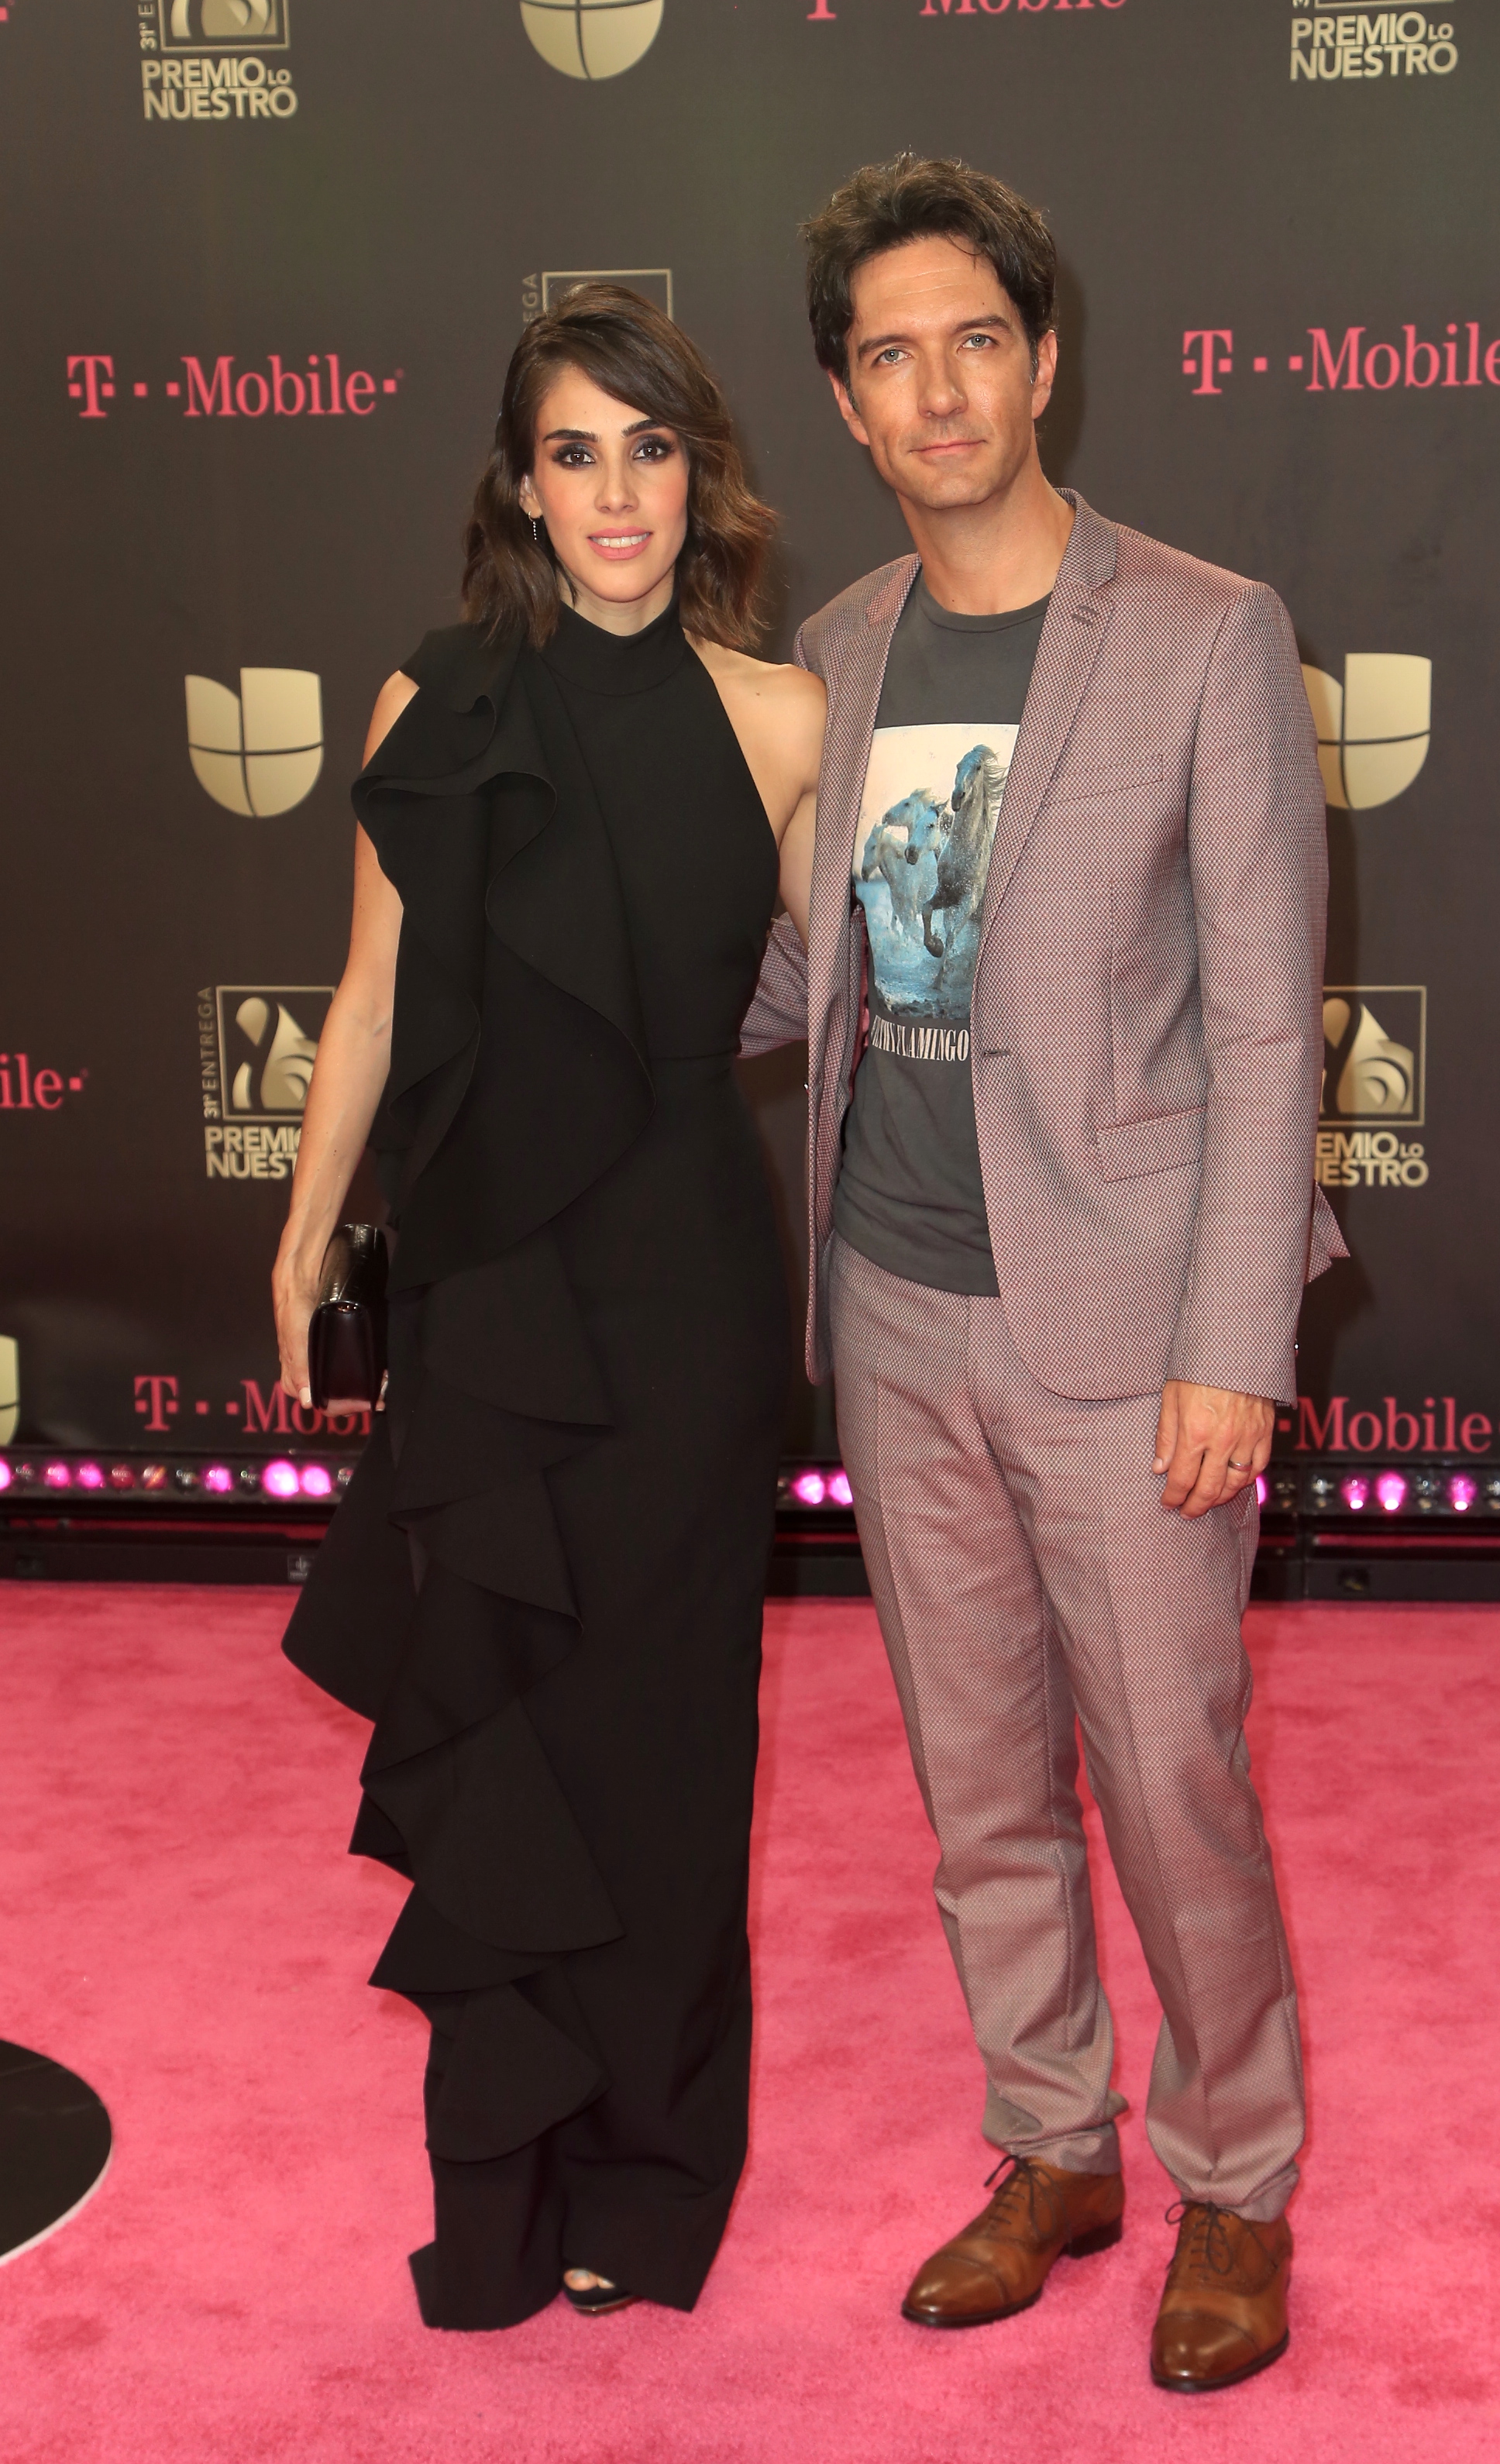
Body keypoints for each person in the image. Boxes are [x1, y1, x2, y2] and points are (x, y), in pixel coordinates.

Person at [741, 157, 1347, 2392]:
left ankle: (1239, 2178)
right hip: (892, 1312)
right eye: (890, 354)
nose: (939, 385)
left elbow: (1277, 1021)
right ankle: (1052, 2137)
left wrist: (1233, 1348)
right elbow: (802, 970)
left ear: (1043, 354)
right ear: (848, 400)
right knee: (977, 1776)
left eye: (972, 337)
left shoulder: (1207, 629)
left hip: (1127, 1333)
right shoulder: (832, 662)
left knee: (1172, 1777)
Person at [272, 284, 822, 2331]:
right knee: (506, 1716)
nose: (617, 490)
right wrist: (305, 1230)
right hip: (493, 1283)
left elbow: (873, 1004)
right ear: (520, 480)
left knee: (672, 1742)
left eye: (650, 446)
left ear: (704, 472)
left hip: (685, 1277)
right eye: (575, 448)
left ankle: (657, 2177)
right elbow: (368, 995)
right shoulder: (433, 699)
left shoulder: (783, 717)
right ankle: (499, 2185)